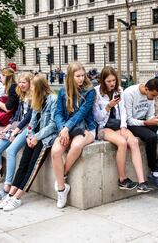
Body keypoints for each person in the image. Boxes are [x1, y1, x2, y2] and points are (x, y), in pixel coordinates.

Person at [0, 75, 58, 211]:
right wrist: (29, 135)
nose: (30, 89)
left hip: (46, 138)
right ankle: (11, 193)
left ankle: (17, 197)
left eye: (32, 87)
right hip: (34, 137)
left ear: (41, 88)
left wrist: (36, 137)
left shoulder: (52, 99)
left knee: (32, 167)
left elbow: (53, 124)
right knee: (23, 164)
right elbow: (32, 121)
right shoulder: (37, 98)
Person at [93, 67, 152, 193]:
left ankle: (142, 182)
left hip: (118, 125)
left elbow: (123, 112)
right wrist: (108, 106)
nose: (112, 83)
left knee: (134, 142)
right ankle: (122, 179)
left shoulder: (119, 90)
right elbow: (97, 118)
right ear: (102, 81)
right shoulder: (96, 93)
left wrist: (124, 127)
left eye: (113, 80)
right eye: (108, 81)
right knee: (122, 143)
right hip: (103, 127)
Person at [0, 72, 33, 199]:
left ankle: (7, 187)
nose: (21, 85)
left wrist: (15, 130)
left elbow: (30, 119)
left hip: (28, 128)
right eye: (20, 82)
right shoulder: (21, 96)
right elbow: (16, 116)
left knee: (11, 150)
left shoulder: (34, 97)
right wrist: (8, 128)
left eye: (24, 82)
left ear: (30, 83)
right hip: (17, 126)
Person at [51, 62, 96, 208]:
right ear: (70, 76)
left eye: (83, 75)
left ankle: (60, 178)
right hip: (66, 129)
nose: (81, 79)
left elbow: (82, 113)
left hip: (86, 128)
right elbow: (57, 113)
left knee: (76, 146)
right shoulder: (63, 92)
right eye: (77, 76)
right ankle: (62, 190)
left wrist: (66, 128)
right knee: (55, 151)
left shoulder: (90, 91)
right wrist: (63, 128)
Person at [123, 78, 158, 193]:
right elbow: (128, 120)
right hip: (132, 124)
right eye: (152, 95)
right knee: (151, 137)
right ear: (146, 89)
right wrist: (146, 123)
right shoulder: (130, 93)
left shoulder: (152, 95)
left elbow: (150, 115)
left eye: (156, 96)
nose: (153, 98)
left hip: (144, 121)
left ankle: (157, 172)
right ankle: (153, 170)